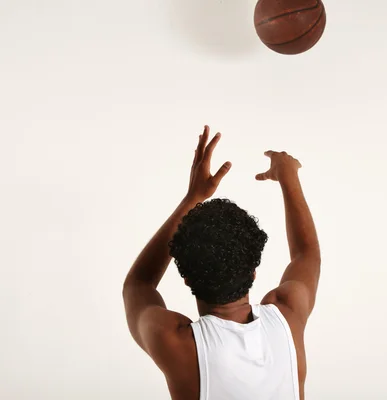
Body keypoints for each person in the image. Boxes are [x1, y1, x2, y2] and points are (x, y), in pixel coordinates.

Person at [122, 126, 321, 400]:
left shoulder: (176, 342)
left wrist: (192, 199)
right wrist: (288, 176)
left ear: (186, 278)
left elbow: (138, 283)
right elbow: (306, 255)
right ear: (253, 271)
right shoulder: (288, 313)